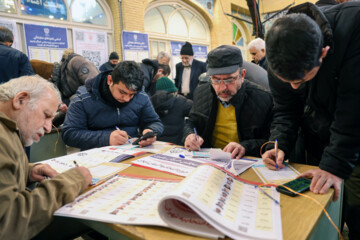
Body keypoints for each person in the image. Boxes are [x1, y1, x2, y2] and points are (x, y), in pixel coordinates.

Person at [261, 3, 360, 239]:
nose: (294, 87)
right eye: (287, 81)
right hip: (320, 140)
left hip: (353, 140)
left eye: (301, 79)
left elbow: (354, 108)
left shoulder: (354, 28)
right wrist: (279, 144)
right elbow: (285, 109)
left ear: (323, 54)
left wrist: (334, 165)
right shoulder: (279, 53)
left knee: (356, 210)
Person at [0, 75, 92, 239]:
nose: (49, 128)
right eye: (46, 115)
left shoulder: (8, 130)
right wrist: (70, 182)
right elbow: (8, 222)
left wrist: (28, 171)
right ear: (21, 100)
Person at [183, 45, 273, 159]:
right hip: (208, 158)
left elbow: (271, 141)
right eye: (216, 80)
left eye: (229, 80)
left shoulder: (263, 98)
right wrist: (189, 135)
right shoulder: (202, 91)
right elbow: (191, 122)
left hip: (245, 160)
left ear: (242, 75)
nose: (222, 88)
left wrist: (246, 146)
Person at [62, 61, 164, 151]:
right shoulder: (83, 98)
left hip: (133, 153)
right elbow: (69, 134)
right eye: (122, 92)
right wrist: (106, 138)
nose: (127, 99)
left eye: (132, 94)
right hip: (97, 157)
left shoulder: (141, 96)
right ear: (110, 80)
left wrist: (150, 131)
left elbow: (154, 122)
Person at [150, 77, 192, 145]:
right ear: (174, 91)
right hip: (177, 144)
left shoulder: (150, 102)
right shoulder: (182, 101)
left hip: (155, 144)